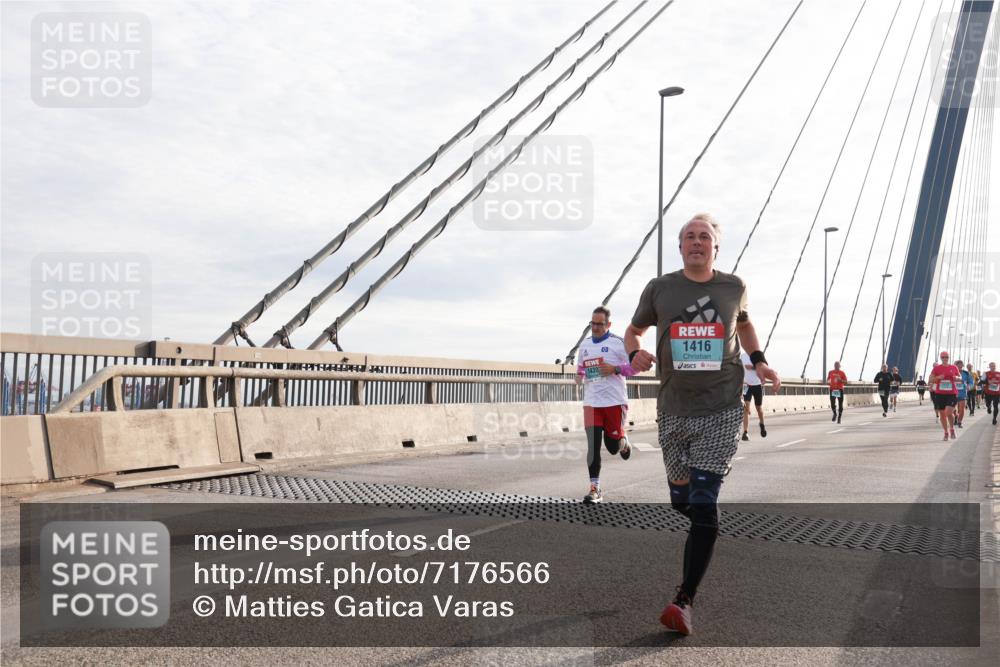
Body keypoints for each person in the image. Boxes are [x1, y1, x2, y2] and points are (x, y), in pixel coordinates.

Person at [625, 213, 780, 636]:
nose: (697, 242)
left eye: (704, 237)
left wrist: (760, 361)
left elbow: (744, 324)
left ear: (715, 247)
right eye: (689, 237)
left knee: (705, 506)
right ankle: (692, 521)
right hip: (674, 408)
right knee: (683, 502)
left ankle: (683, 600)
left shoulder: (733, 287)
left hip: (722, 407)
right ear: (680, 247)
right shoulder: (660, 288)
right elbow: (633, 331)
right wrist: (635, 353)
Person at [575, 306, 633, 504]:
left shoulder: (618, 343)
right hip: (592, 402)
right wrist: (578, 375)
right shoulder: (585, 345)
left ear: (609, 324)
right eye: (593, 323)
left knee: (612, 447)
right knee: (593, 446)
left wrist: (615, 368)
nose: (596, 327)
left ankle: (622, 440)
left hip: (614, 402)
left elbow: (634, 367)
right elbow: (581, 368)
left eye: (600, 324)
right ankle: (595, 488)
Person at [929, 351, 960, 441]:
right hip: (940, 394)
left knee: (948, 412)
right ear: (941, 358)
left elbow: (960, 378)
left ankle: (952, 429)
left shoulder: (953, 367)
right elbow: (930, 379)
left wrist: (956, 378)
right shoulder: (936, 369)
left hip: (952, 393)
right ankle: (946, 432)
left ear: (948, 358)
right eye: (943, 357)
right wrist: (938, 377)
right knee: (942, 415)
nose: (945, 358)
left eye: (946, 357)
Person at [740, 350, 766, 440]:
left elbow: (764, 368)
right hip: (746, 385)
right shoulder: (742, 356)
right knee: (746, 408)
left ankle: (762, 424)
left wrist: (753, 367)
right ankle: (745, 432)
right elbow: (738, 369)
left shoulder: (758, 356)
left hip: (757, 384)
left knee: (758, 408)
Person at [955, 360, 970, 427]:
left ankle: (959, 422)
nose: (960, 366)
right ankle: (956, 415)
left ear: (963, 365)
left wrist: (969, 386)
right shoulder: (952, 372)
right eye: (958, 364)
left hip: (962, 393)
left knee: (962, 408)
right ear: (955, 365)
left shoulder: (966, 373)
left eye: (961, 364)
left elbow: (970, 382)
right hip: (953, 393)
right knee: (952, 409)